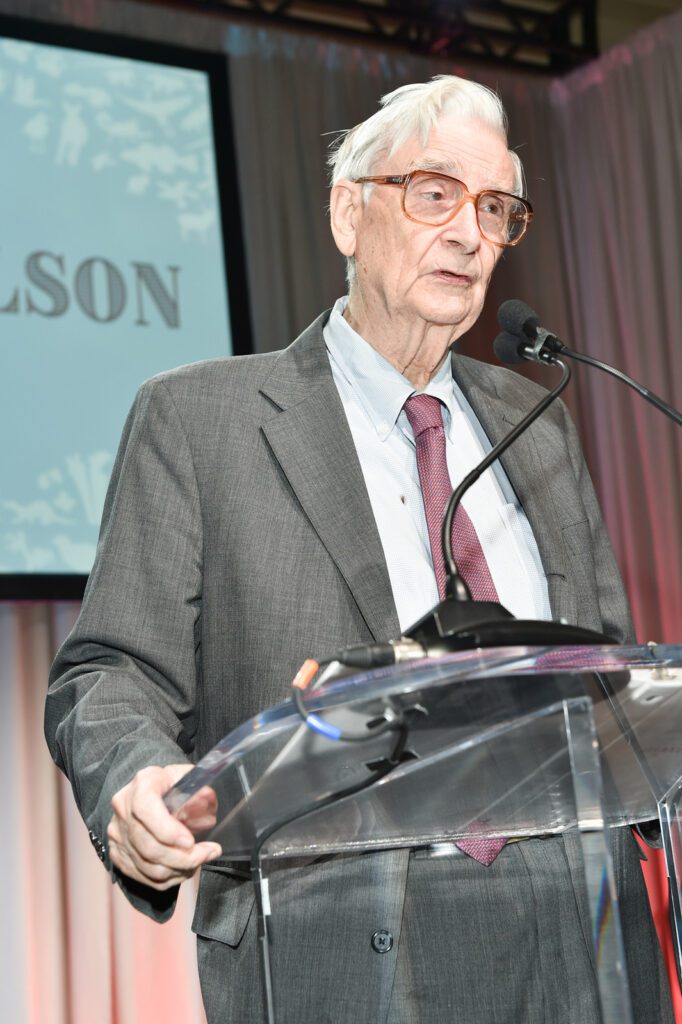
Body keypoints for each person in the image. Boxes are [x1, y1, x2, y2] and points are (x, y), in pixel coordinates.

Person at [45, 75, 673, 1023]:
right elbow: (109, 671)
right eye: (435, 193)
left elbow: (610, 690)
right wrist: (138, 785)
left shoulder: (536, 422)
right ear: (349, 212)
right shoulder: (200, 418)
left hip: (580, 946)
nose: (470, 233)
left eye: (497, 209)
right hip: (341, 954)